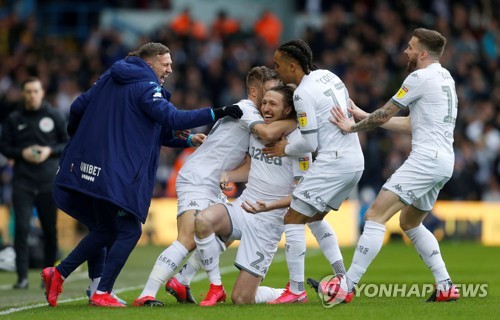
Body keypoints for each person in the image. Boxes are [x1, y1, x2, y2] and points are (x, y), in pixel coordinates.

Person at [40, 42, 243, 308]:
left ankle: (70, 278)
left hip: (88, 165)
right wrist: (216, 112)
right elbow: (171, 118)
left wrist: (83, 140)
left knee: (104, 227)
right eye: (166, 63)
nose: (170, 69)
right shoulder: (146, 86)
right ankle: (96, 289)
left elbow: (79, 107)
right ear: (150, 63)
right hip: (116, 170)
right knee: (129, 230)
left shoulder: (109, 79)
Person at [133, 66, 297, 307]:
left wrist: (229, 173)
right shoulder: (246, 110)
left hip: (211, 180)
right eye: (270, 91)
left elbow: (251, 163)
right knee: (188, 239)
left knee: (222, 234)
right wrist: (298, 119)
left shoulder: (253, 113)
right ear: (254, 91)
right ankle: (146, 294)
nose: (273, 98)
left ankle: (183, 280)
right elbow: (267, 133)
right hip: (198, 178)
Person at [327, 28, 460, 303]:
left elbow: (386, 113)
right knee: (409, 222)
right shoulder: (445, 77)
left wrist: (353, 127)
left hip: (426, 159)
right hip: (444, 160)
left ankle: (346, 286)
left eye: (411, 47)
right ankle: (445, 285)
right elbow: (412, 123)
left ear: (423, 53)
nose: (406, 51)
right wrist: (365, 115)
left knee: (375, 215)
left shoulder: (418, 77)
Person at [261, 39, 364, 303]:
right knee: (315, 218)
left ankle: (296, 290)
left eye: (278, 65)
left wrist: (285, 147)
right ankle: (343, 281)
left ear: (293, 66)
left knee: (293, 218)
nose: (276, 71)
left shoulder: (301, 93)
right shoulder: (329, 75)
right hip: (354, 160)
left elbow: (309, 142)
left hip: (334, 162)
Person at [193, 84, 310, 306]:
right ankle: (215, 286)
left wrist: (269, 206)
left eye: (272, 104)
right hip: (245, 206)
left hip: (269, 220)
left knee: (241, 299)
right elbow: (250, 167)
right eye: (264, 102)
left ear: (287, 111)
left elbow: (301, 196)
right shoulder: (257, 132)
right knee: (203, 220)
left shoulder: (299, 144)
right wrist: (229, 174)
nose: (265, 107)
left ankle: (285, 293)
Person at [0, 77, 69, 289]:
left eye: (35, 91)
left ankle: (48, 276)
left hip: (48, 182)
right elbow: (4, 147)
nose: (32, 95)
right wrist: (22, 153)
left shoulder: (55, 115)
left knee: (50, 230)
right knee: (20, 229)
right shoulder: (14, 119)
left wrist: (49, 151)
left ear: (42, 92)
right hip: (23, 183)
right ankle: (22, 278)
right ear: (23, 93)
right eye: (28, 91)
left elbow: (66, 143)